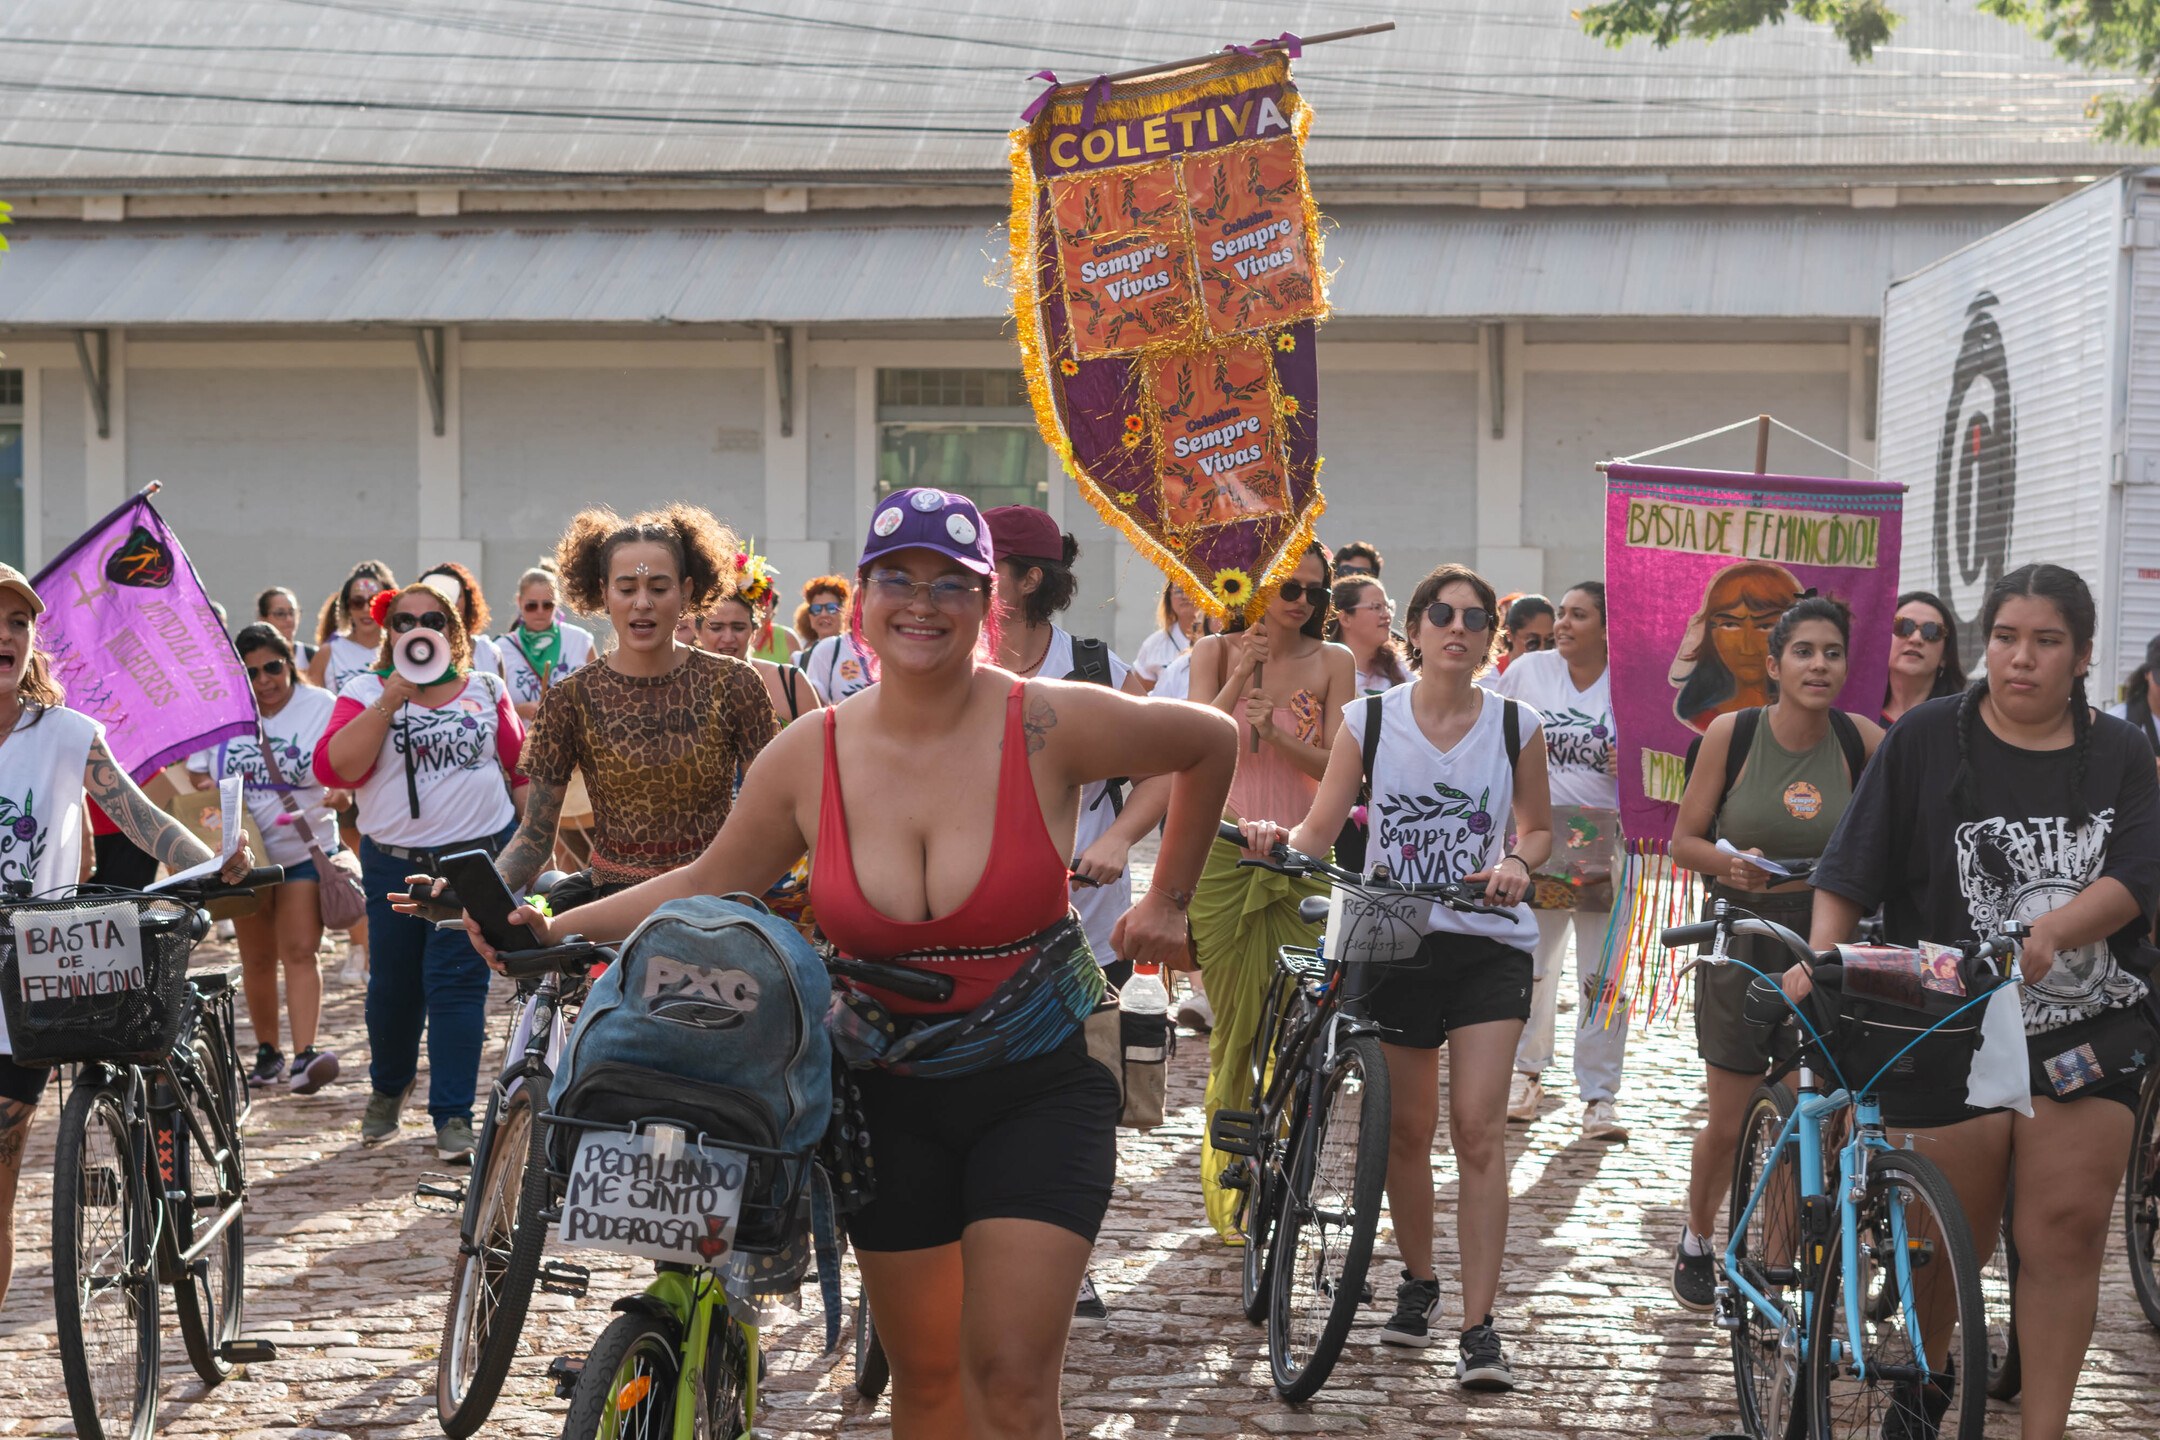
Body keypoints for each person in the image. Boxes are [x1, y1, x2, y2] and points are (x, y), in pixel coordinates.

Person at [461, 487, 1236, 1440]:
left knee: (1014, 1377)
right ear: (863, 600)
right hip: (884, 1098)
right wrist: (545, 925)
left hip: (1040, 1081)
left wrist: (1166, 902)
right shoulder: (811, 753)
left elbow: (1210, 741)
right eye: (899, 580)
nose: (924, 602)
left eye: (952, 583)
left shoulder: (1046, 722)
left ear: (986, 601)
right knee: (932, 1381)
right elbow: (708, 878)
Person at [1801, 562, 2160, 1440]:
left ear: (2081, 657)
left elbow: (2137, 877)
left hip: (2088, 1024)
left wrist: (2058, 930)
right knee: (1943, 1238)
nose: (2021, 659)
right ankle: (1924, 1379)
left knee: (2066, 1232)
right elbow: (1850, 870)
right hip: (1945, 1022)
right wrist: (1823, 968)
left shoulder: (2120, 752)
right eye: (2006, 638)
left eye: (2046, 643)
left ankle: (2044, 1430)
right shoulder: (1925, 737)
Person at [1239, 562, 1550, 1387]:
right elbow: (1319, 827)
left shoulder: (1517, 724)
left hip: (1489, 940)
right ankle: (1419, 1281)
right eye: (1440, 614)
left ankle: (1481, 1330)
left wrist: (1519, 859)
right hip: (1391, 933)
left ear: (1491, 638)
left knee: (1479, 1131)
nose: (1457, 627)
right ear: (1414, 628)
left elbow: (1540, 828)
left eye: (1474, 618)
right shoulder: (1369, 720)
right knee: (1407, 1131)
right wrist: (1278, 839)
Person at [0, 563, 256, 1309]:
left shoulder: (65, 734)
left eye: (19, 622)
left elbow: (144, 818)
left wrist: (212, 861)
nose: (7, 635)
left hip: (32, 976)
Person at [1665, 596, 1881, 1310]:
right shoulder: (1734, 733)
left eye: (1832, 653)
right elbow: (1684, 840)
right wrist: (1730, 865)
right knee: (1729, 1120)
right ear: (1775, 664)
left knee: (1802, 1115)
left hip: (1826, 940)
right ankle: (1700, 1235)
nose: (1819, 665)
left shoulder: (1863, 743)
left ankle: (1773, 1271)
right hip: (1742, 932)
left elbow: (1890, 845)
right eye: (1805, 652)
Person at [982, 505, 1169, 1325]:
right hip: (969, 925)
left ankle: (1069, 1263)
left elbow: (1164, 766)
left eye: (982, 567)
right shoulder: (953, 658)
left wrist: (1122, 840)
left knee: (1081, 1102)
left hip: (1083, 930)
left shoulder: (1094, 666)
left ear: (1029, 580)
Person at [314, 575, 526, 1162]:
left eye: (430, 620)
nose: (417, 631)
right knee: (394, 987)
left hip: (473, 862)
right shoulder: (363, 690)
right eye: (403, 622)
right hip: (395, 866)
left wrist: (536, 849)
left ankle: (452, 1114)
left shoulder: (484, 686)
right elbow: (336, 769)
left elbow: (520, 770)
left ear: (452, 631)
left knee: (458, 986)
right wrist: (389, 700)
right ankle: (388, 1088)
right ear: (388, 633)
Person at [1187, 542, 1356, 1239]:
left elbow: (1345, 765)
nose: (1303, 602)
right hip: (1221, 851)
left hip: (1303, 849)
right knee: (1234, 1031)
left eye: (1316, 592)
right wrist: (1243, 671)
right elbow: (1192, 741)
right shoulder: (1214, 651)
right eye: (1289, 586)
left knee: (1294, 1032)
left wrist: (1277, 735)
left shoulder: (1333, 663)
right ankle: (1231, 1186)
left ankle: (1280, 1181)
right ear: (1254, 587)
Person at [490, 505, 777, 913]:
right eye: (626, 589)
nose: (642, 603)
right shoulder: (571, 698)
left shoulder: (734, 684)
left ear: (687, 593)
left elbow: (769, 816)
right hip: (611, 913)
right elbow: (534, 839)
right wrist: (475, 889)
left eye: (659, 588)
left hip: (713, 907)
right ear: (604, 593)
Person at [1492, 582, 1632, 1140]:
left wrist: (1639, 762)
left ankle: (1600, 1097)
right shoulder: (1528, 672)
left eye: (1578, 615)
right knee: (1534, 962)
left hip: (1609, 844)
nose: (1563, 624)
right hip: (1540, 838)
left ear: (1606, 626)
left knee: (1604, 974)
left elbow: (1667, 762)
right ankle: (1526, 1074)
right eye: (1562, 614)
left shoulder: (1629, 682)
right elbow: (1498, 738)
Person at [187, 623, 347, 1094]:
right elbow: (196, 777)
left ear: (289, 662)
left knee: (299, 949)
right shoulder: (223, 713)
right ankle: (267, 1051)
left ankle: (304, 1055)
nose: (264, 681)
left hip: (303, 850)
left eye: (273, 667)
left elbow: (345, 768)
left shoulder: (322, 707)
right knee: (255, 958)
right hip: (242, 858)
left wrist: (340, 793)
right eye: (251, 672)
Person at [307, 559, 395, 979]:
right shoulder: (331, 652)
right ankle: (360, 947)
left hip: (392, 771)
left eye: (372, 598)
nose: (365, 607)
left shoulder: (403, 647)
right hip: (348, 768)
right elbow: (313, 715)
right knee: (359, 864)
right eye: (357, 600)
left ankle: (386, 942)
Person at [1670, 561, 1804, 733]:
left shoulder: (1803, 721)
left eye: (1765, 626)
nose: (1747, 648)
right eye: (1730, 625)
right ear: (1710, 631)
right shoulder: (1699, 719)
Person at [699, 591, 827, 724]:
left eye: (738, 628)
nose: (728, 638)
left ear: (754, 632)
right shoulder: (684, 684)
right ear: (698, 632)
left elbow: (819, 741)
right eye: (716, 628)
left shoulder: (790, 681)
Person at [498, 559, 596, 722]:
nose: (540, 611)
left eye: (547, 605)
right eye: (531, 606)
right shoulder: (500, 649)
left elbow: (598, 697)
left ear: (557, 604)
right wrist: (519, 710)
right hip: (523, 745)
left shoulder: (580, 641)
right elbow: (490, 707)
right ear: (519, 602)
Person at [308, 560, 396, 695]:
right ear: (347, 607)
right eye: (357, 602)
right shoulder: (328, 653)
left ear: (387, 606)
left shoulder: (400, 650)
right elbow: (314, 705)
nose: (366, 609)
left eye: (374, 601)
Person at [1881, 589, 1967, 726]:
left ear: (1945, 656)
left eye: (1932, 631)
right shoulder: (1858, 716)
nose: (1916, 639)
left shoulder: (1961, 721)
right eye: (1903, 626)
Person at [418, 560, 500, 684]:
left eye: (456, 595)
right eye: (440, 595)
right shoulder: (413, 649)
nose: (448, 603)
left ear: (469, 601)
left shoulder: (489, 651)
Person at [1328, 573, 1409, 695]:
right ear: (1345, 618)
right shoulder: (1322, 670)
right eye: (1376, 607)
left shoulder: (1403, 667)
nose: (1387, 615)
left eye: (1388, 607)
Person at [1132, 580, 1200, 694]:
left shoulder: (1217, 638)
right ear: (1169, 598)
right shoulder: (1154, 644)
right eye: (1178, 591)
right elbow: (1140, 695)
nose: (1184, 596)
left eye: (1190, 590)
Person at [1497, 593, 1555, 674]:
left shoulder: (1561, 675)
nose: (1542, 649)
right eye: (1532, 641)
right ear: (1509, 633)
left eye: (1550, 642)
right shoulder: (1488, 677)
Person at [258, 585, 315, 666]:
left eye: (292, 613)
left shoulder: (312, 656)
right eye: (280, 614)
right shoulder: (253, 658)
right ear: (263, 619)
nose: (289, 619)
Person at [794, 573, 851, 652]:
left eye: (831, 608)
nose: (823, 614)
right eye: (816, 609)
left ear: (844, 612)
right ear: (810, 616)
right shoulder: (800, 659)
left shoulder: (856, 653)